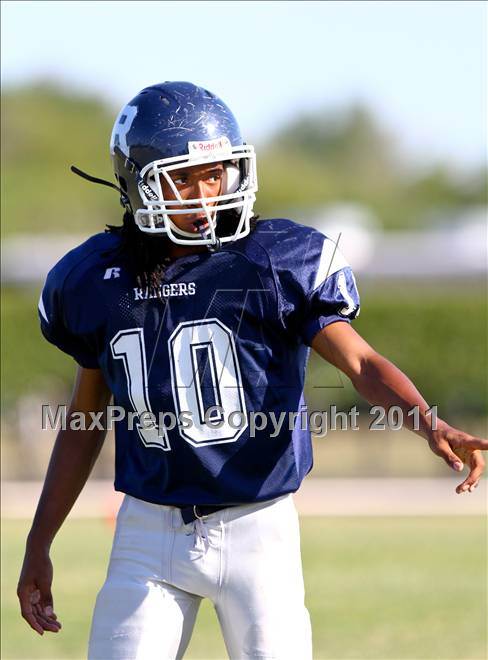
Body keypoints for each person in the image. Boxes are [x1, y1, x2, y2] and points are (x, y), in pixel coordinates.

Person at [18, 81, 487, 659]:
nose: (204, 195)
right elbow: (84, 420)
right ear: (137, 184)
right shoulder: (94, 278)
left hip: (257, 529)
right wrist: (39, 541)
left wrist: (427, 422)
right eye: (183, 179)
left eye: (214, 174)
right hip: (146, 535)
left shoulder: (274, 259)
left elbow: (362, 362)